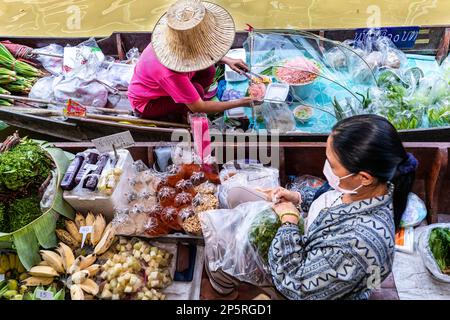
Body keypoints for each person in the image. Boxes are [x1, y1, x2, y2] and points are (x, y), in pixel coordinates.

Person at [205, 114, 418, 300]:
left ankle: (226, 293)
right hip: (308, 237)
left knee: (218, 249)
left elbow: (295, 285)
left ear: (364, 177)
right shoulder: (370, 188)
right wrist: (297, 198)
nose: (327, 168)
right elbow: (332, 197)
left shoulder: (358, 246)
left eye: (332, 164)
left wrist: (288, 221)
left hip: (297, 279)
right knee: (236, 195)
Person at [128, 0, 255, 121]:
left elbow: (200, 50)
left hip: (168, 83)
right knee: (197, 92)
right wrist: (242, 102)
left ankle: (193, 98)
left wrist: (228, 60)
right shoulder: (170, 72)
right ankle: (187, 106)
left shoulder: (177, 42)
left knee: (209, 70)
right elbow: (200, 107)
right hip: (149, 103)